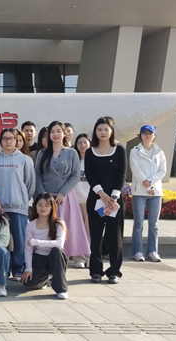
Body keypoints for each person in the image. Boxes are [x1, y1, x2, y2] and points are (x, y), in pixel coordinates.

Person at [35, 121, 90, 269]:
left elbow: (75, 175)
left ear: (64, 133)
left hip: (64, 197)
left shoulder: (71, 152)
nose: (55, 134)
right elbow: (38, 175)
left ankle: (76, 255)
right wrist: (44, 195)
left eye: (58, 131)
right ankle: (49, 258)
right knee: (49, 228)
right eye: (52, 132)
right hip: (47, 198)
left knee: (69, 227)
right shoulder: (42, 154)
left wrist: (62, 193)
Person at [0, 128, 36, 281]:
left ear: (17, 140)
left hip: (18, 206)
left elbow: (30, 185)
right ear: (0, 141)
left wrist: (21, 198)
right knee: (1, 240)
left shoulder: (25, 160)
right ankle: (3, 270)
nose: (8, 141)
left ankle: (18, 269)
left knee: (19, 240)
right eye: (5, 138)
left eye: (11, 138)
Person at [85, 116, 126, 284]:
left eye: (106, 129)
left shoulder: (119, 150)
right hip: (96, 199)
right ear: (95, 131)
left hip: (115, 201)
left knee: (115, 237)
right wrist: (101, 194)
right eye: (99, 129)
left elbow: (122, 175)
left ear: (111, 131)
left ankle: (114, 271)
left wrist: (113, 197)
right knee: (96, 236)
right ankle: (95, 271)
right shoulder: (90, 152)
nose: (103, 132)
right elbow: (90, 175)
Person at [129, 124, 167, 263]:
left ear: (154, 136)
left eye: (150, 133)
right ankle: (137, 251)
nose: (147, 135)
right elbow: (135, 169)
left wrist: (150, 183)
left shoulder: (160, 152)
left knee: (154, 224)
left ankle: (152, 251)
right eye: (144, 133)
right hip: (139, 191)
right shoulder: (135, 151)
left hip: (155, 192)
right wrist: (146, 184)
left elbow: (162, 171)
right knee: (138, 223)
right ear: (140, 136)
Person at [22, 193, 69, 299]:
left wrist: (36, 242)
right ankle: (45, 279)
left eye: (47, 205)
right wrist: (28, 269)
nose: (43, 208)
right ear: (35, 206)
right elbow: (28, 249)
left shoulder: (59, 223)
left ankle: (61, 289)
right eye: (40, 205)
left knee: (56, 250)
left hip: (55, 257)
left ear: (52, 207)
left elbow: (59, 243)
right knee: (28, 283)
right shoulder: (30, 225)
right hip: (39, 258)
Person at [73, 133, 92, 268]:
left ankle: (90, 256)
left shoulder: (94, 160)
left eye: (85, 142)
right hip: (75, 200)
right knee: (77, 230)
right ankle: (79, 257)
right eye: (80, 143)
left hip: (91, 200)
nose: (82, 145)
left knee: (90, 231)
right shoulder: (74, 161)